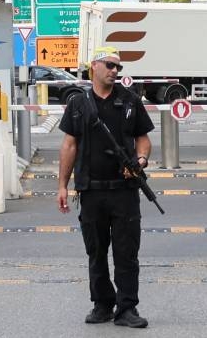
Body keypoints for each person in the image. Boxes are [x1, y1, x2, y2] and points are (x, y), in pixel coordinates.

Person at [58, 46, 154, 329]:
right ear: (94, 67)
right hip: (91, 190)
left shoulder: (130, 101)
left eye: (118, 67)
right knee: (96, 251)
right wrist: (62, 186)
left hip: (124, 190)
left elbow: (143, 139)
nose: (115, 71)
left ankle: (127, 308)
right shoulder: (78, 104)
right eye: (110, 65)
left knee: (127, 252)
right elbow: (69, 145)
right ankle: (102, 304)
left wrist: (140, 160)